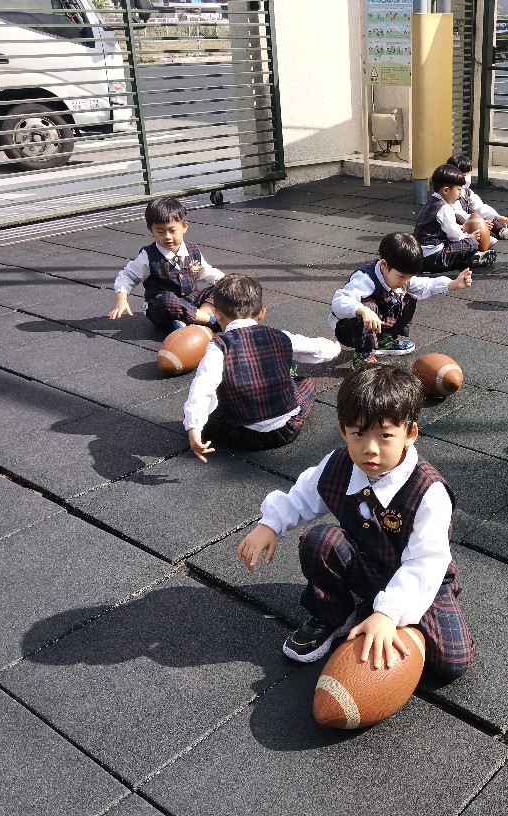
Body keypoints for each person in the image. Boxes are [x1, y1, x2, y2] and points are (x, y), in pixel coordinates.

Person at [237, 365, 474, 681]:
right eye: (359, 433)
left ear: (410, 433)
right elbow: (302, 496)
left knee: (451, 663)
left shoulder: (428, 492)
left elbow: (426, 562)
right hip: (368, 565)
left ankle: (384, 610)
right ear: (343, 430)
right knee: (320, 542)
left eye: (385, 435)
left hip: (419, 575)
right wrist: (270, 523)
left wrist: (388, 613)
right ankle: (333, 614)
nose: (370, 448)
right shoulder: (338, 464)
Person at [184, 274, 340, 459]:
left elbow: (203, 386)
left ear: (217, 315)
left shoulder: (219, 346)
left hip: (244, 435)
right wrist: (334, 348)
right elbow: (314, 348)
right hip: (287, 430)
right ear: (262, 313)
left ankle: (203, 423)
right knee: (306, 383)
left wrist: (194, 427)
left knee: (211, 408)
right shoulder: (279, 335)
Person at [332, 232, 472, 369]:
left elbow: (425, 285)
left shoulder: (402, 279)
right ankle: (363, 356)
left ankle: (384, 340)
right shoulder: (365, 278)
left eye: (410, 277)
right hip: (348, 331)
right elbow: (340, 300)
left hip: (378, 326)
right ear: (384, 264)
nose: (405, 281)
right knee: (368, 306)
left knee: (409, 295)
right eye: (401, 276)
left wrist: (452, 284)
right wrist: (362, 311)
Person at [109, 197, 223, 332]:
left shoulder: (192, 250)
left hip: (191, 301)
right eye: (160, 232)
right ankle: (210, 320)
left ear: (184, 227)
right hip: (162, 309)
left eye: (172, 230)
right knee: (167, 299)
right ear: (151, 230)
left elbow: (206, 271)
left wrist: (229, 282)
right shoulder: (148, 256)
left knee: (221, 288)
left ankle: (195, 319)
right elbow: (128, 275)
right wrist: (121, 298)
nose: (167, 237)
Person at [415, 163, 497, 273]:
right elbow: (453, 234)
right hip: (434, 257)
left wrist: (462, 227)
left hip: (420, 255)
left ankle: (468, 259)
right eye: (458, 189)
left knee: (456, 245)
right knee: (472, 243)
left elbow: (445, 227)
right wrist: (467, 237)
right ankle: (468, 259)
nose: (460, 194)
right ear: (445, 190)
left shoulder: (432, 202)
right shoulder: (444, 208)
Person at [445, 154, 508, 241]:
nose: (466, 178)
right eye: (463, 175)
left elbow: (479, 207)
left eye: (468, 174)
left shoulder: (467, 192)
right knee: (459, 217)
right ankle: (481, 238)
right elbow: (459, 213)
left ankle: (501, 231)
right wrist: (479, 221)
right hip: (459, 225)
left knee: (482, 214)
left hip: (469, 219)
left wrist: (496, 217)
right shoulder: (451, 195)